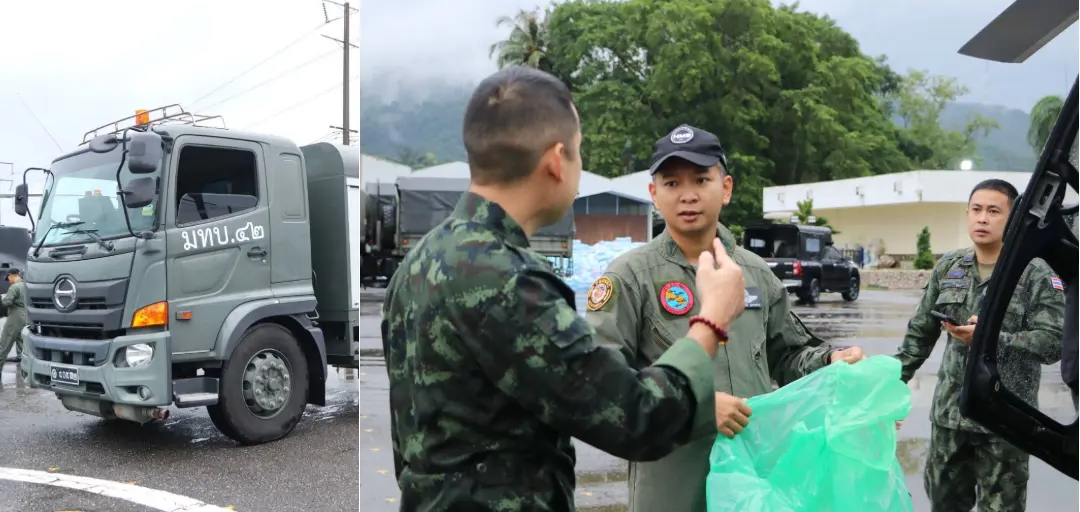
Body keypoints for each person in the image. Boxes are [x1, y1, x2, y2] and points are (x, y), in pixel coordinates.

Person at [382, 68, 748, 512]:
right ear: (557, 160)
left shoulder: (418, 262)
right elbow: (638, 417)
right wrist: (711, 320)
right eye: (578, 153)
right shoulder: (508, 280)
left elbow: (408, 436)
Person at [585, 124, 865, 512]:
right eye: (671, 183)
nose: (688, 195)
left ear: (726, 188)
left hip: (757, 477)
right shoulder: (629, 278)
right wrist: (692, 407)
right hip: (674, 482)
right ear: (654, 194)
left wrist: (831, 362)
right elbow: (603, 385)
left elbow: (788, 355)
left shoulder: (755, 273)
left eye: (701, 179)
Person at [895, 179, 1064, 512]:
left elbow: (1052, 343)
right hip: (950, 416)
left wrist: (989, 338)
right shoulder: (950, 266)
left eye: (993, 211)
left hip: (1005, 419)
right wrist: (888, 383)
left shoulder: (1035, 273)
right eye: (976, 210)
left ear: (1013, 218)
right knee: (944, 505)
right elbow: (920, 333)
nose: (982, 219)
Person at [0, 268, 25, 382]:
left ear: (11, 276)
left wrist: (2, 301)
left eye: (8, 278)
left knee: (4, 344)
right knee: (22, 342)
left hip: (15, 316)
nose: (8, 281)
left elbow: (7, 302)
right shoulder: (26, 285)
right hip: (25, 316)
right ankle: (24, 369)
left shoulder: (14, 287)